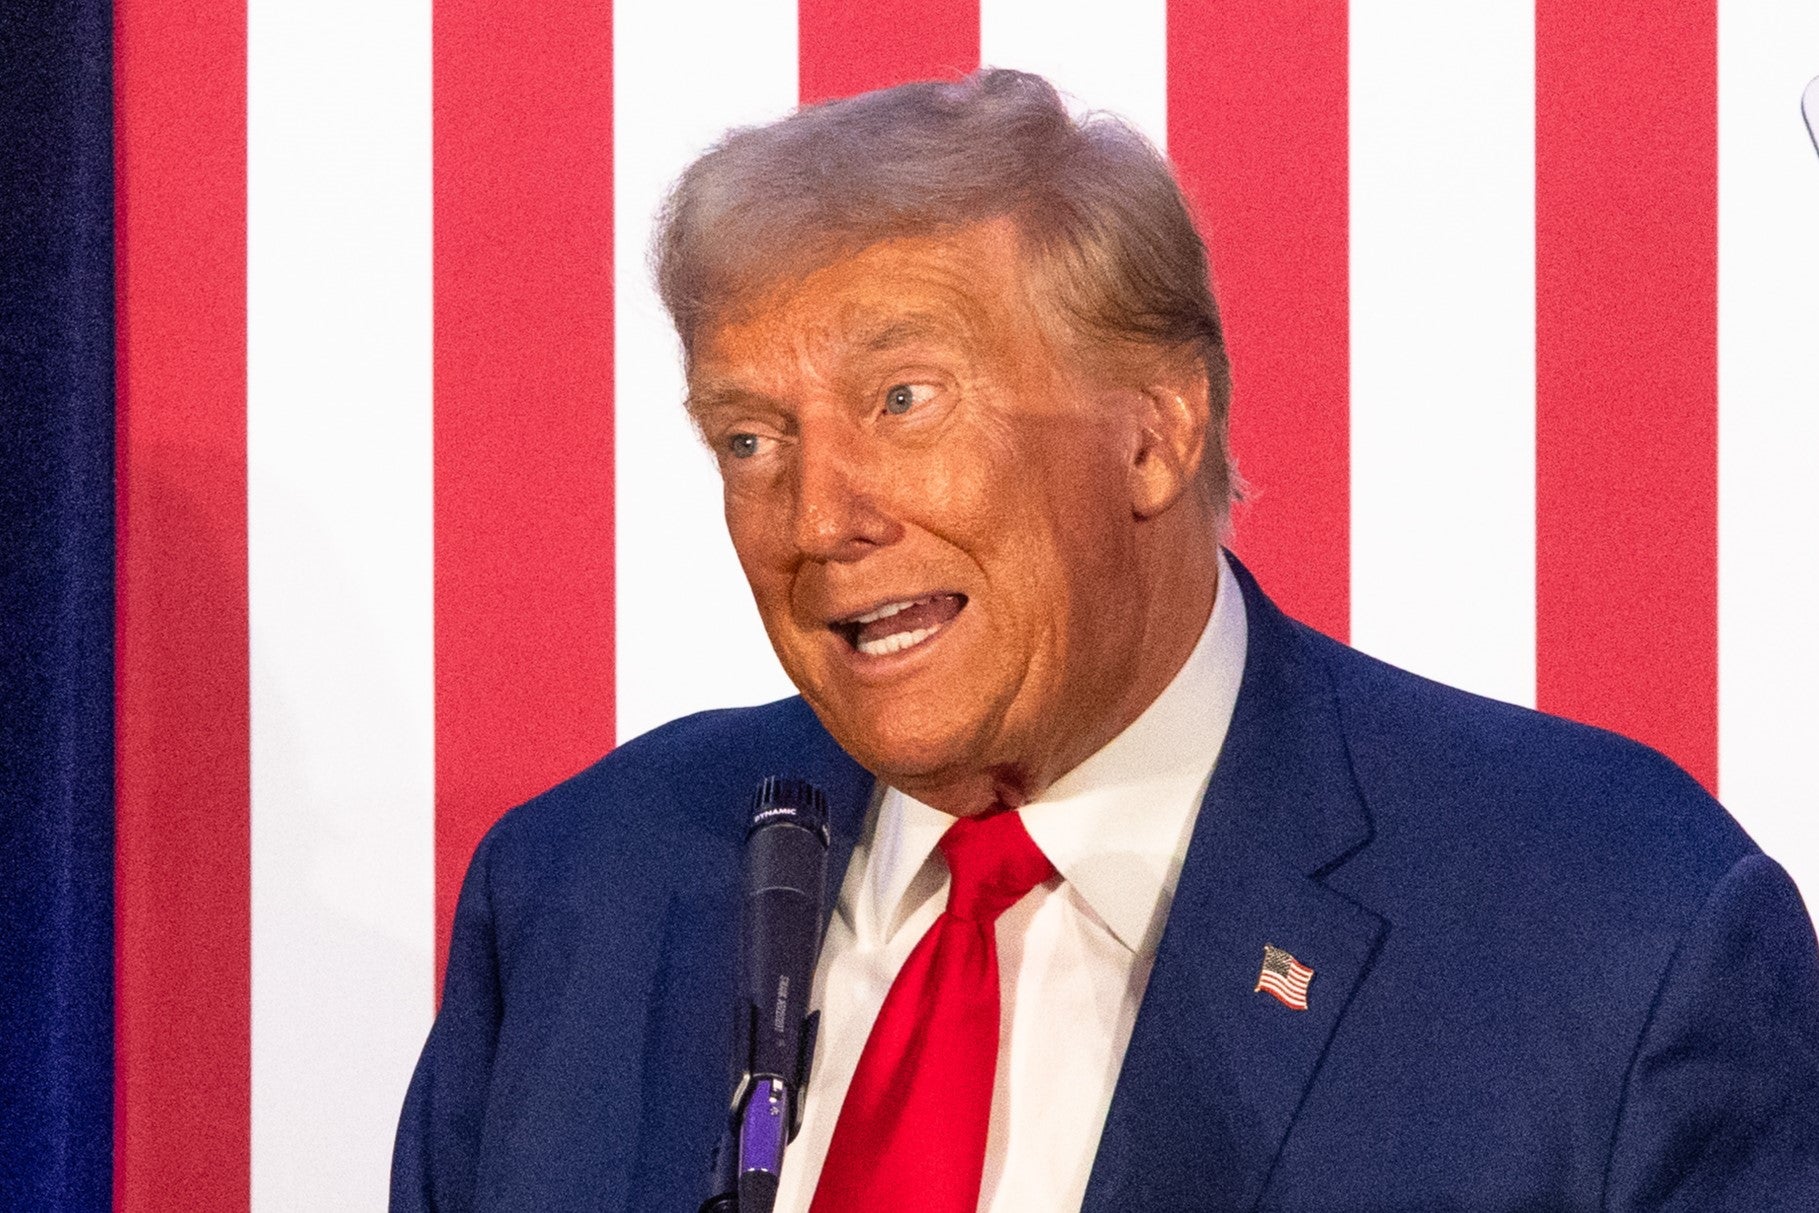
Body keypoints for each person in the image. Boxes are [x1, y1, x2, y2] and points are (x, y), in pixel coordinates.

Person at [390, 70, 1819, 1211]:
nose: (816, 515)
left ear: (1155, 428)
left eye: (904, 398)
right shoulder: (585, 886)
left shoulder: (1611, 928)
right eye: (751, 436)